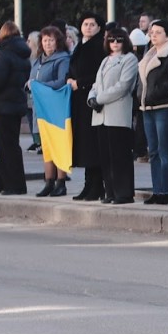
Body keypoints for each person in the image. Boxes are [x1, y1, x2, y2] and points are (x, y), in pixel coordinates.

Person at [88, 27, 139, 204]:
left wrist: (100, 98)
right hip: (101, 114)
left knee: (120, 156)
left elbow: (123, 85)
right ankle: (110, 191)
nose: (115, 43)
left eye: (119, 40)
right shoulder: (105, 60)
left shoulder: (129, 59)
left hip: (117, 113)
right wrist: (91, 98)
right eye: (111, 40)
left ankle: (124, 193)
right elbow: (96, 83)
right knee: (106, 156)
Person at [0, 21, 32, 195]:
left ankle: (13, 185)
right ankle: (13, 183)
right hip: (16, 104)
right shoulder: (23, 54)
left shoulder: (4, 54)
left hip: (2, 106)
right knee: (12, 145)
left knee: (5, 147)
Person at [135, 19, 168, 205]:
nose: (153, 35)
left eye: (158, 32)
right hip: (147, 109)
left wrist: (154, 93)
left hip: (165, 108)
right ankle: (157, 189)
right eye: (152, 32)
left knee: (165, 150)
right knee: (153, 151)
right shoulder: (149, 53)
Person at [67, 14, 109, 202]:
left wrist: (80, 83)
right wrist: (69, 79)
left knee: (93, 146)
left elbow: (98, 74)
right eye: (85, 24)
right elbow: (73, 67)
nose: (89, 27)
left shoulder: (99, 46)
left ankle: (97, 186)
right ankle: (88, 185)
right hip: (79, 101)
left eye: (93, 24)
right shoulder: (80, 45)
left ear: (100, 28)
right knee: (84, 145)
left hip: (91, 100)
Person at [27, 27, 71, 196]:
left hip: (56, 108)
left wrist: (41, 87)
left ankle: (61, 183)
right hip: (41, 109)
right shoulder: (38, 60)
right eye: (45, 40)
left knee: (58, 146)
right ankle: (49, 181)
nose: (47, 44)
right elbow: (32, 79)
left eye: (51, 40)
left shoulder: (62, 59)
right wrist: (29, 85)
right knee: (46, 148)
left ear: (57, 42)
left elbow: (61, 81)